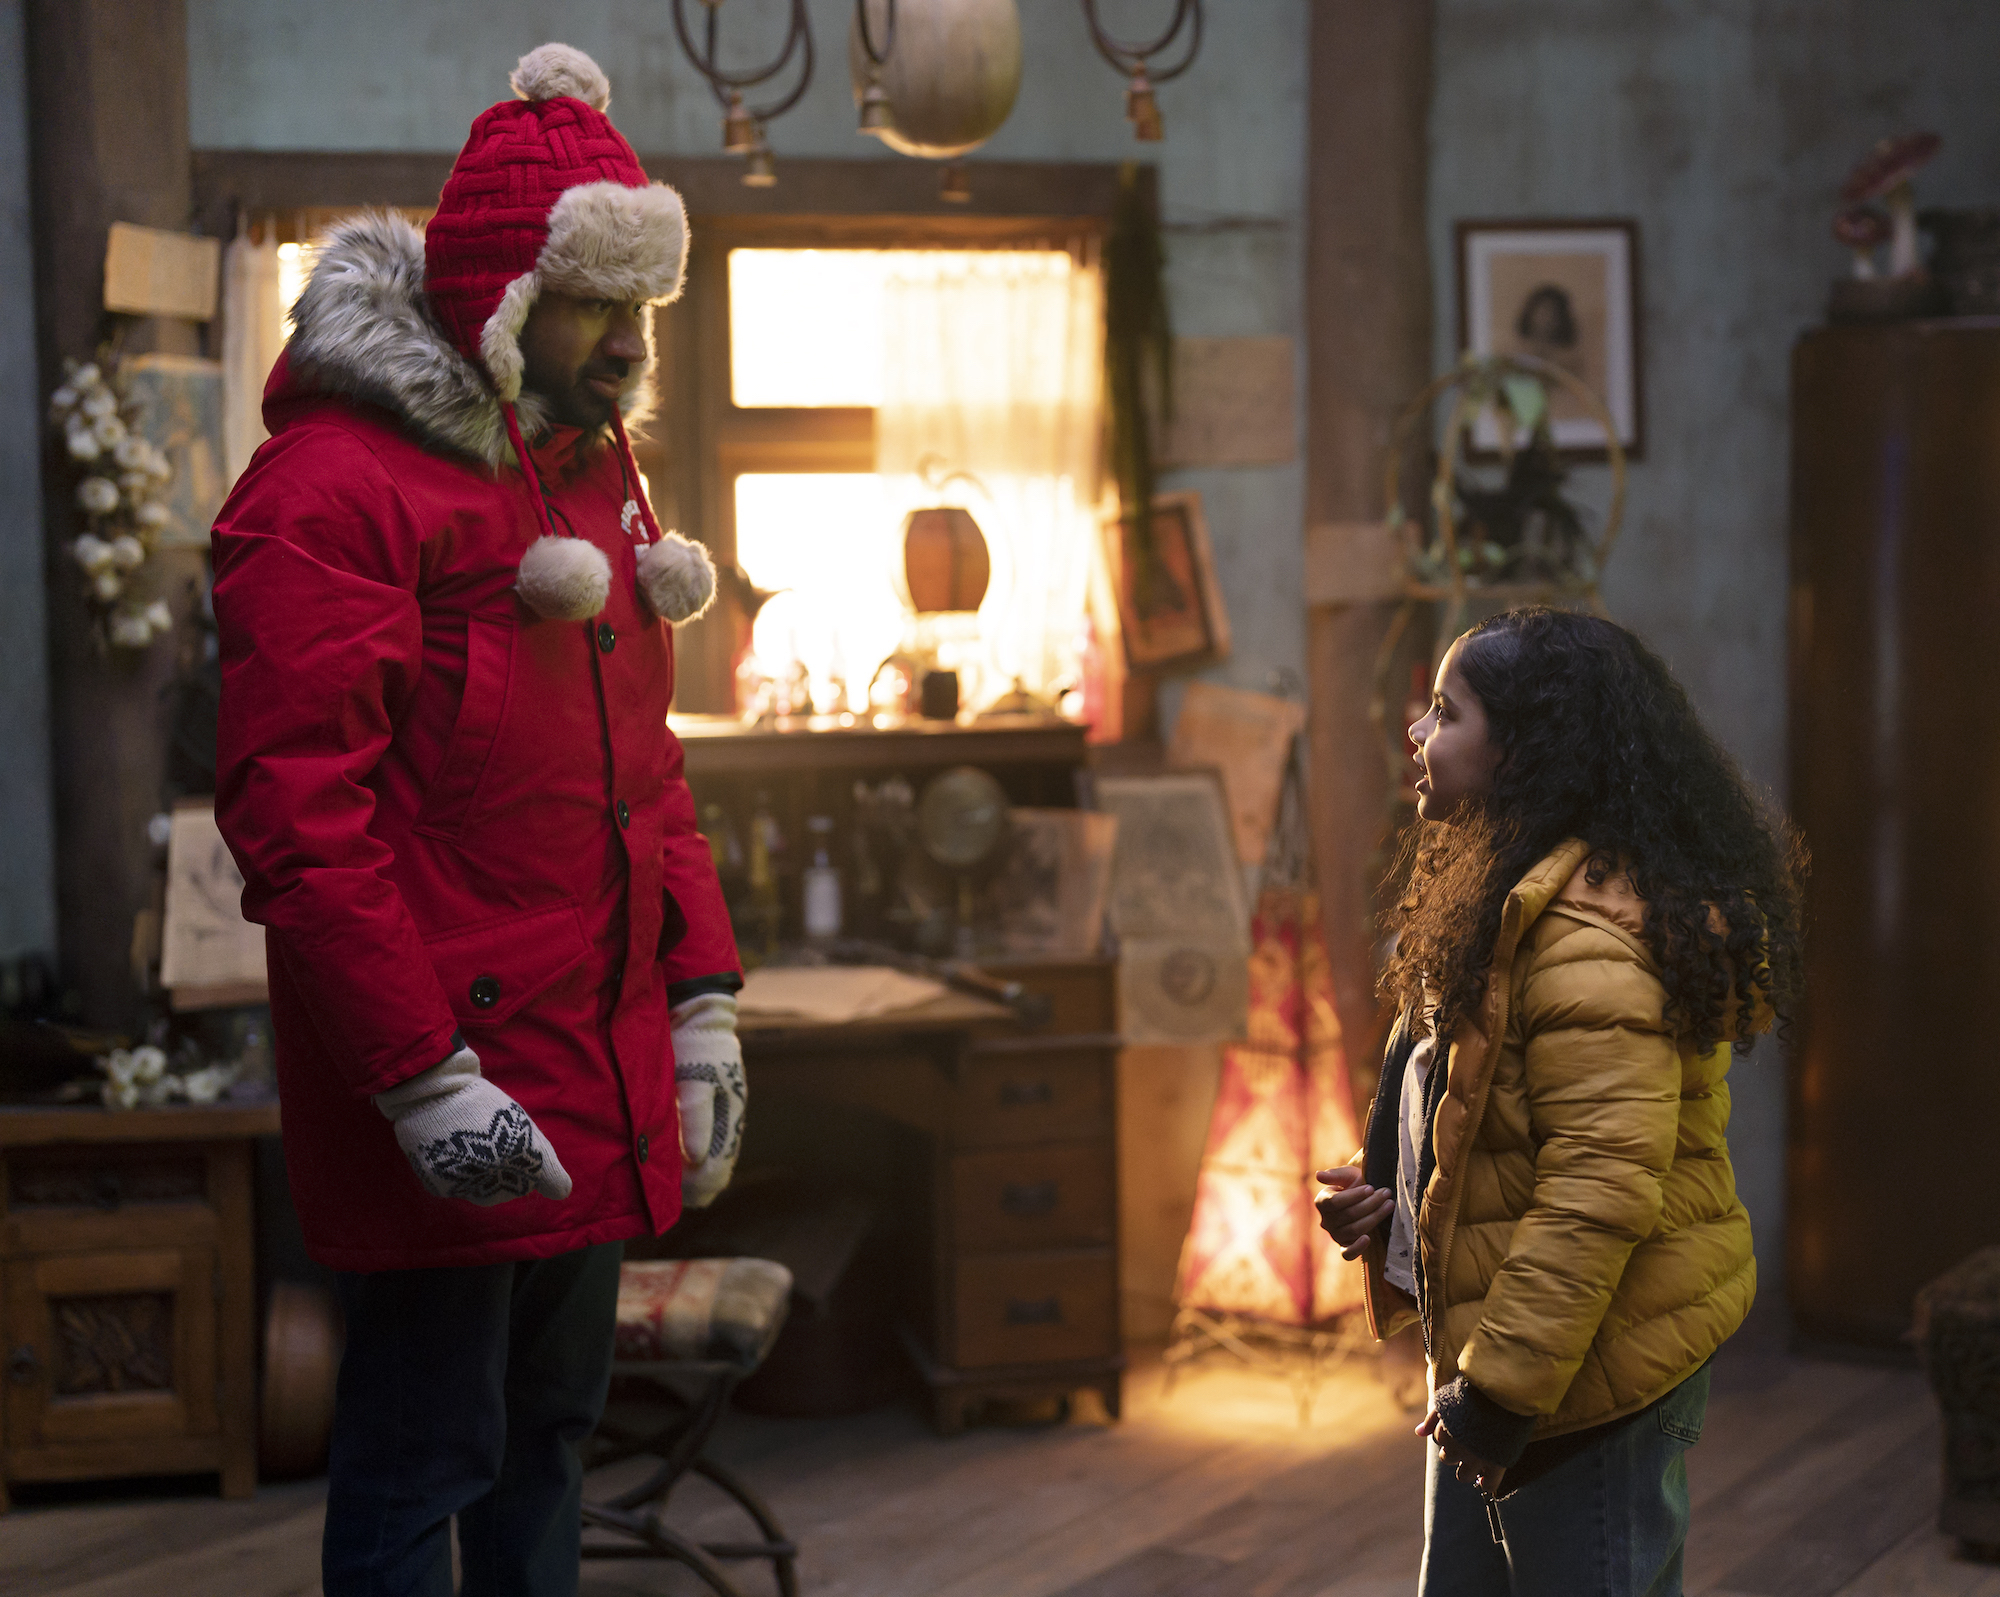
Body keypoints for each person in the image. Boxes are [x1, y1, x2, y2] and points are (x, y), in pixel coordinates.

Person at [211, 44, 746, 1596]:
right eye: (592, 305)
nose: (630, 343)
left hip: (592, 1053)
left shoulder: (588, 471)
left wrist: (701, 999)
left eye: (643, 305)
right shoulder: (329, 488)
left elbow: (647, 771)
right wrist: (422, 1076)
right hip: (447, 1069)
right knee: (420, 1459)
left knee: (550, 1443)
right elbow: (300, 826)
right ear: (503, 297)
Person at [1314, 608, 1804, 1596]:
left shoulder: (1584, 940)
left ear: (1520, 749)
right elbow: (1484, 1115)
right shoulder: (1500, 894)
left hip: (1581, 1383)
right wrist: (1392, 1201)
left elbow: (1597, 1187)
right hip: (1505, 1360)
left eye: (1445, 712)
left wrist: (1497, 1395)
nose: (1416, 731)